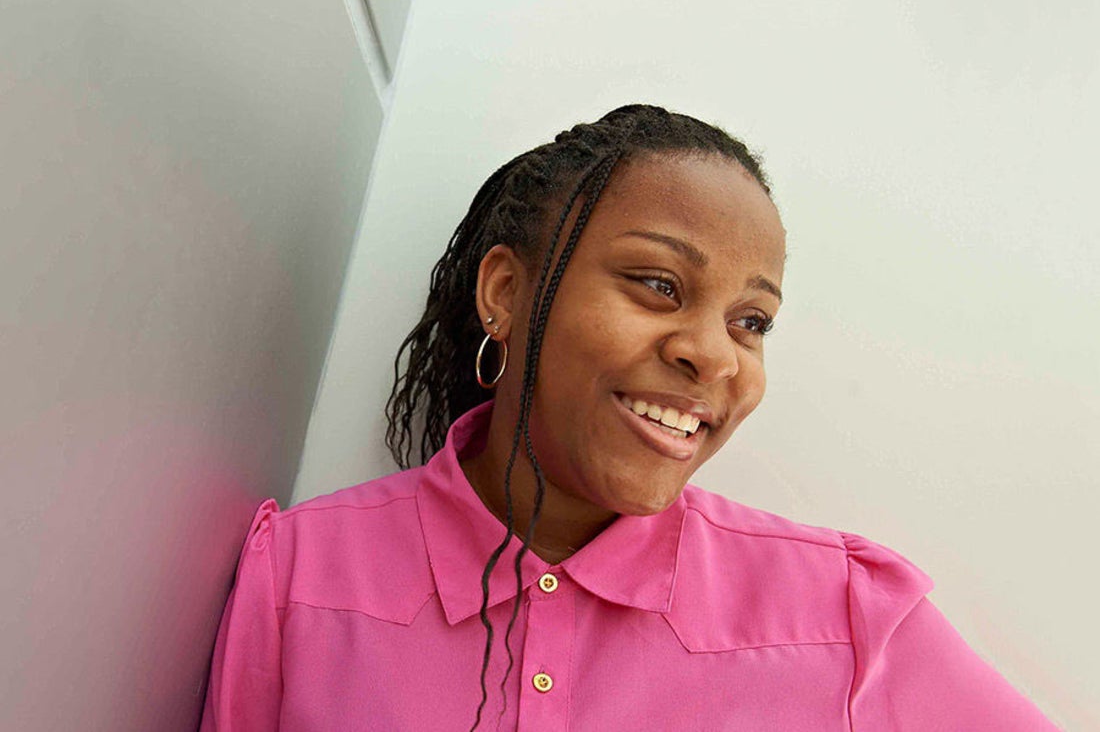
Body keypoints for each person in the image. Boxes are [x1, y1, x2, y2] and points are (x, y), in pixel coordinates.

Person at [199, 105, 1058, 730]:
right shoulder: (298, 581)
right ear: (505, 293)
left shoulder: (845, 614)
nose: (715, 356)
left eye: (750, 322)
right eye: (659, 285)